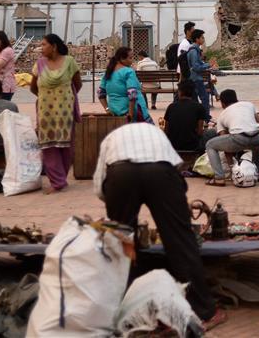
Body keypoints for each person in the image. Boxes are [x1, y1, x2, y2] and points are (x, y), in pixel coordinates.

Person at [93, 123, 225, 331]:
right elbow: (176, 169)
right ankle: (204, 311)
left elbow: (100, 184)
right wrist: (178, 206)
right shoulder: (156, 134)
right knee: (180, 240)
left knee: (121, 242)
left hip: (121, 174)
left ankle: (121, 309)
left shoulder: (112, 139)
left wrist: (118, 212)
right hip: (160, 172)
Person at [31, 34, 82, 194]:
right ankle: (57, 182)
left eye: (44, 44)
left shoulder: (69, 62)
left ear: (54, 46)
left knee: (66, 145)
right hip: (46, 112)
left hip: (65, 112)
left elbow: (77, 84)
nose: (41, 48)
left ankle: (61, 178)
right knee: (48, 145)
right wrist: (47, 97)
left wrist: (64, 97)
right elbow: (33, 88)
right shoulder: (39, 64)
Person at [204, 90, 259, 187]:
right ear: (236, 99)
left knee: (210, 145)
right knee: (258, 141)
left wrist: (232, 167)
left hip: (239, 138)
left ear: (222, 103)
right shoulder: (248, 105)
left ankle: (219, 178)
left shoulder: (222, 115)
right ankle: (257, 173)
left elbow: (225, 145)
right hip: (257, 137)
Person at [100, 47, 152, 123]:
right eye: (130, 58)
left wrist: (107, 109)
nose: (132, 61)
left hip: (114, 110)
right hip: (130, 111)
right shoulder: (128, 72)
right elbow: (132, 93)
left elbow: (100, 92)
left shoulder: (108, 72)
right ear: (122, 58)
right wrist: (130, 114)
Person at [162, 80, 205, 151]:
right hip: (192, 145)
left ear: (180, 92)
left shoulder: (171, 106)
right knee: (210, 133)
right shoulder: (199, 107)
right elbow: (200, 132)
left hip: (174, 145)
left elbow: (166, 130)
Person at [186, 30, 216, 122]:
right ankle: (206, 118)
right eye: (202, 37)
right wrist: (208, 65)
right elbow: (196, 67)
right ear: (197, 39)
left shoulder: (194, 50)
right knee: (205, 98)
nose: (203, 39)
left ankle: (197, 118)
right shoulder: (194, 51)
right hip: (196, 79)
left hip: (192, 78)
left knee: (195, 100)